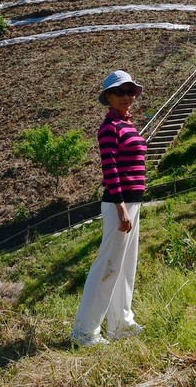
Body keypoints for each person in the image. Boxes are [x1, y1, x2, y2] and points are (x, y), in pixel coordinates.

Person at [70, 70, 149, 346]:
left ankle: (121, 324)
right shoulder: (109, 128)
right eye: (120, 92)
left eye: (130, 92)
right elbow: (110, 170)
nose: (126, 97)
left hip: (132, 202)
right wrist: (121, 208)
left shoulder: (127, 125)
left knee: (126, 267)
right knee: (108, 266)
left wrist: (130, 206)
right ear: (108, 97)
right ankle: (84, 331)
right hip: (120, 204)